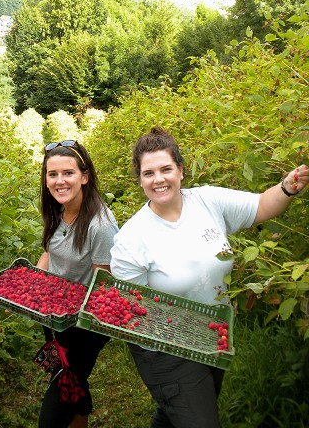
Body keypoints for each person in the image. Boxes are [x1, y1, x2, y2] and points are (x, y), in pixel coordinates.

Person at [110, 126, 309, 428]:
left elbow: (260, 206)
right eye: (148, 173)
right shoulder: (131, 239)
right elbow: (132, 313)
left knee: (180, 412)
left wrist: (286, 187)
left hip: (214, 334)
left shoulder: (207, 201)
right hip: (166, 349)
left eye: (166, 169)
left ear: (181, 170)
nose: (158, 179)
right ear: (140, 179)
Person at [36, 139, 119, 428]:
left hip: (83, 326)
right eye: (53, 174)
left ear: (84, 176)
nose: (59, 181)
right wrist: (30, 287)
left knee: (55, 408)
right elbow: (49, 253)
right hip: (54, 316)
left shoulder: (100, 226)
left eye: (68, 173)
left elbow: (102, 289)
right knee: (72, 386)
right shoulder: (59, 210)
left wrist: (67, 312)